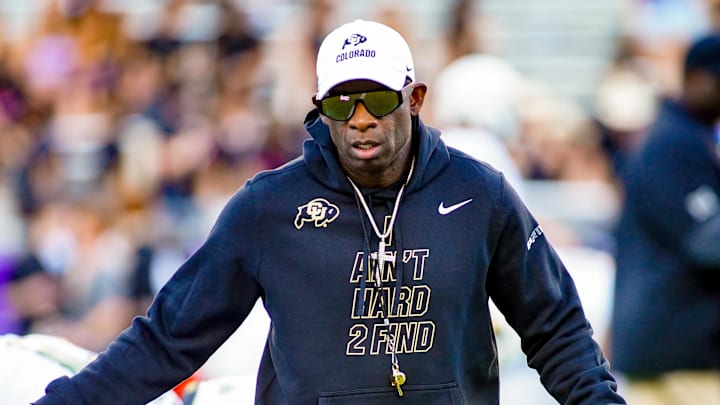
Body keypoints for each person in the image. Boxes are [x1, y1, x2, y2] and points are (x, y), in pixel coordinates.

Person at [34, 19, 625, 404]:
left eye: (377, 97)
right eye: (342, 100)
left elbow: (557, 331)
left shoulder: (481, 193)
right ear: (320, 107)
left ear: (414, 99)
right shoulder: (266, 208)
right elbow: (169, 340)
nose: (360, 116)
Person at [610, 31, 720, 404]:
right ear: (696, 79)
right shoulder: (673, 143)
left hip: (675, 350)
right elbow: (709, 244)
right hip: (675, 354)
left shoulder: (685, 137)